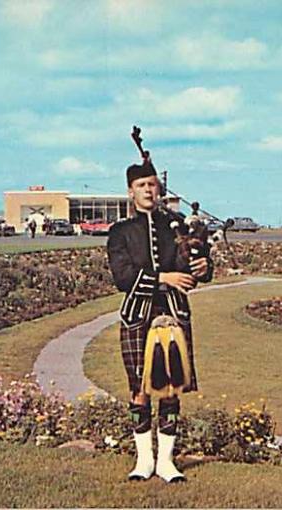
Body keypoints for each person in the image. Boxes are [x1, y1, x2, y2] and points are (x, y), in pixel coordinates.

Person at [106, 161, 213, 483]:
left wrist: (202, 268)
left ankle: (166, 463)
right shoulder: (120, 232)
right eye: (142, 186)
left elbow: (193, 269)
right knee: (139, 388)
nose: (148, 191)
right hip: (138, 315)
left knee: (171, 387)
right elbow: (122, 277)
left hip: (174, 313)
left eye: (152, 185)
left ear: (159, 189)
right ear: (131, 191)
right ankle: (144, 460)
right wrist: (163, 277)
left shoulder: (176, 226)